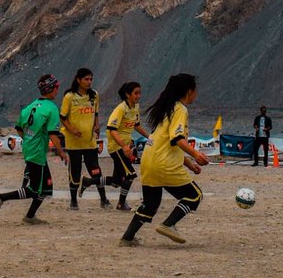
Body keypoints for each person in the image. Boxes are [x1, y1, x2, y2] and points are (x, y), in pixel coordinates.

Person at [120, 73, 210, 246]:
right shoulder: (180, 109)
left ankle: (127, 238)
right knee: (194, 195)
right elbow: (177, 139)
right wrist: (196, 154)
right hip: (163, 164)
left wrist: (189, 164)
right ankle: (168, 225)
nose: (196, 93)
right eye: (195, 90)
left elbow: (168, 144)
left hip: (149, 160)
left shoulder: (167, 109)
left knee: (150, 204)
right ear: (189, 91)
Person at [0, 74, 66, 224]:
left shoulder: (29, 107)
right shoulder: (51, 108)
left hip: (30, 150)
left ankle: (30, 216)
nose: (58, 90)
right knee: (36, 189)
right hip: (37, 153)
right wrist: (62, 152)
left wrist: (30, 140)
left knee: (46, 187)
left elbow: (19, 129)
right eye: (57, 87)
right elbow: (53, 134)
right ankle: (1, 198)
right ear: (50, 88)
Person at [60, 67, 109, 210]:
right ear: (78, 80)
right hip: (74, 142)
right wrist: (72, 130)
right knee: (75, 171)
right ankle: (73, 201)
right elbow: (62, 118)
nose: (89, 82)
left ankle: (104, 199)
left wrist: (97, 125)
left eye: (91, 79)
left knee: (96, 170)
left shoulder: (94, 95)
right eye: (86, 79)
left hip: (89, 141)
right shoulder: (69, 96)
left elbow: (96, 113)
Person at [105, 81, 149, 211]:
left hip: (126, 147)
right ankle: (121, 204)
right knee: (131, 175)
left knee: (116, 181)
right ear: (127, 94)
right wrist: (124, 146)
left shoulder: (135, 107)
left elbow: (136, 125)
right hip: (117, 147)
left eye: (140, 93)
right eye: (136, 93)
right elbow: (112, 129)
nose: (139, 96)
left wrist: (150, 137)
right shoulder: (121, 109)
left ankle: (88, 181)